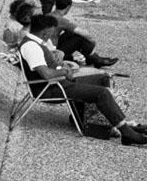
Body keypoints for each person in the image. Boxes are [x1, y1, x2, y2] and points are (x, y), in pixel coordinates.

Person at [19, 16, 146, 145]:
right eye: (51, 31)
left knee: (102, 77)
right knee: (102, 93)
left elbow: (49, 68)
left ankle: (111, 123)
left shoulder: (35, 42)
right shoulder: (31, 47)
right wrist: (64, 71)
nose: (52, 34)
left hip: (59, 83)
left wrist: (62, 66)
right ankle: (126, 132)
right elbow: (46, 74)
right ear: (45, 31)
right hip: (51, 88)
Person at [50, 0, 117, 67]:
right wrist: (92, 42)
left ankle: (92, 58)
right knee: (79, 38)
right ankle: (96, 59)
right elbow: (84, 33)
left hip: (48, 46)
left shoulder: (49, 15)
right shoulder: (61, 20)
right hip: (53, 51)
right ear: (68, 7)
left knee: (70, 33)